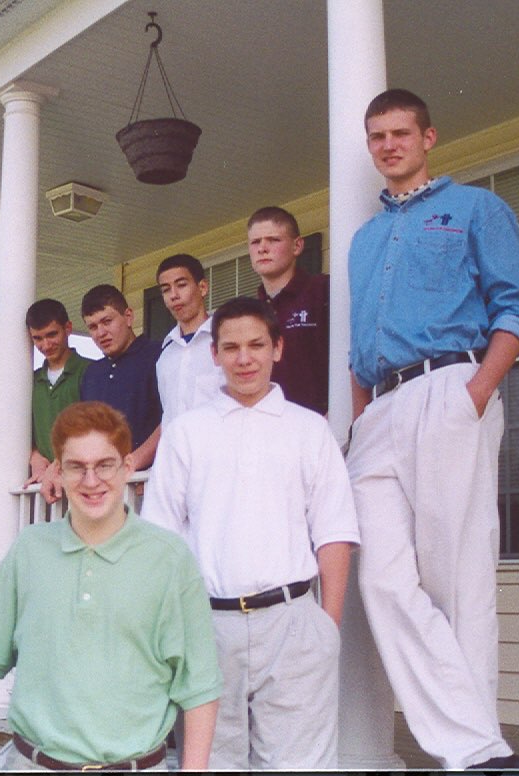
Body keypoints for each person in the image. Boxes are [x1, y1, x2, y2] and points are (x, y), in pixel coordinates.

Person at [346, 88, 519, 771]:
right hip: (379, 412)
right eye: (377, 136)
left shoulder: (476, 210)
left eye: (401, 133)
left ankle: (474, 755)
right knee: (383, 581)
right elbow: (358, 344)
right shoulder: (365, 240)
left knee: (458, 580)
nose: (389, 145)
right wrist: (363, 410)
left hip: (447, 390)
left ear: (429, 138)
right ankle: (479, 746)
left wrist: (476, 393)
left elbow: (517, 309)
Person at [143, 297, 359, 769]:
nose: (244, 359)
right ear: (214, 354)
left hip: (293, 622)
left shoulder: (308, 429)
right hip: (207, 625)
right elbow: (160, 538)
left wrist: (328, 625)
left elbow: (334, 529)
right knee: (212, 762)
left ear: (277, 348)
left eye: (257, 345)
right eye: (232, 347)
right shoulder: (186, 433)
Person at [0, 401, 221, 771]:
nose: (91, 481)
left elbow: (199, 687)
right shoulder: (30, 550)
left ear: (127, 466)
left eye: (104, 465)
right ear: (58, 473)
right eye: (76, 467)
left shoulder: (170, 559)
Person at [248, 206, 330, 414]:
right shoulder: (249, 313)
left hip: (318, 426)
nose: (262, 248)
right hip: (264, 430)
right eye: (255, 242)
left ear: (297, 246)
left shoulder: (323, 291)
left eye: (273, 240)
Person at [78, 284, 163, 469]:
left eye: (107, 321)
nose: (101, 333)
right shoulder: (91, 374)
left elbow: (173, 419)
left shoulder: (160, 356)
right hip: (105, 486)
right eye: (93, 327)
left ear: (128, 317)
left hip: (149, 482)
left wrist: (133, 463)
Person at [23, 298, 91, 503]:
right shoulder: (29, 381)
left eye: (52, 334)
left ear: (68, 328)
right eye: (38, 338)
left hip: (84, 484)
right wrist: (34, 456)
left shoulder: (90, 371)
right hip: (42, 489)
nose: (46, 344)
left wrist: (59, 463)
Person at [154, 254, 225, 421]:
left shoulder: (225, 341)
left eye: (181, 285)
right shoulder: (165, 355)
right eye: (166, 289)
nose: (174, 295)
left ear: (202, 288)